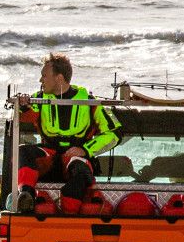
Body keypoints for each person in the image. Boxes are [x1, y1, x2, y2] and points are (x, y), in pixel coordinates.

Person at [12, 53, 120, 213]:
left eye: (44, 76)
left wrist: (86, 150)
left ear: (59, 78)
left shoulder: (90, 101)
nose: (40, 80)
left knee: (81, 170)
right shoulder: (38, 98)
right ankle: (26, 196)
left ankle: (69, 213)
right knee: (22, 151)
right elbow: (27, 115)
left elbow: (114, 134)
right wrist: (23, 106)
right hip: (49, 156)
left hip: (75, 157)